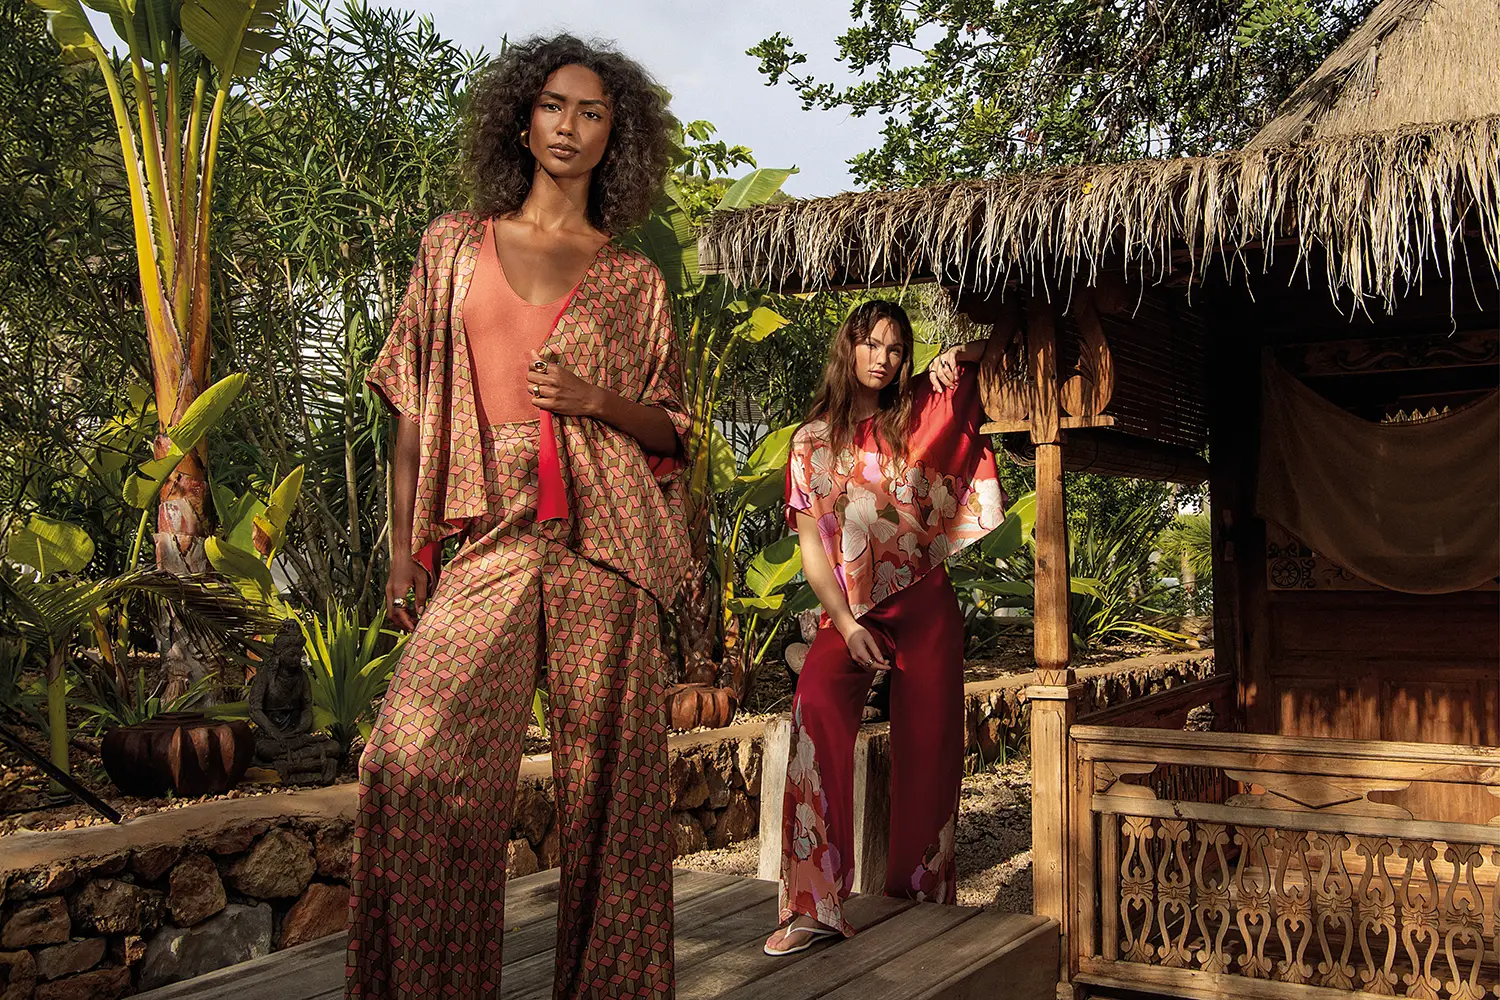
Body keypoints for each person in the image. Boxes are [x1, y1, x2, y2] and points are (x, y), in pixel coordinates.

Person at [348, 34, 689, 1000]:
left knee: (612, 798)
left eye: (592, 112)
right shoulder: (454, 244)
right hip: (486, 527)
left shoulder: (632, 280)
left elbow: (671, 427)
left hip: (603, 537)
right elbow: (412, 405)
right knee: (408, 762)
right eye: (553, 105)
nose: (569, 126)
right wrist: (405, 552)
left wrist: (594, 399)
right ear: (522, 119)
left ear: (617, 135)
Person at [763, 300, 1003, 956]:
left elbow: (1002, 345)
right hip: (853, 614)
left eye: (896, 348)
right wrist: (844, 623)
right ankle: (813, 904)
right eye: (871, 343)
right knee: (814, 707)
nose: (883, 358)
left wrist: (956, 355)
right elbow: (812, 551)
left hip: (926, 610)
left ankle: (919, 903)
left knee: (931, 752)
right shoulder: (809, 443)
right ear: (849, 346)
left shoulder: (921, 409)